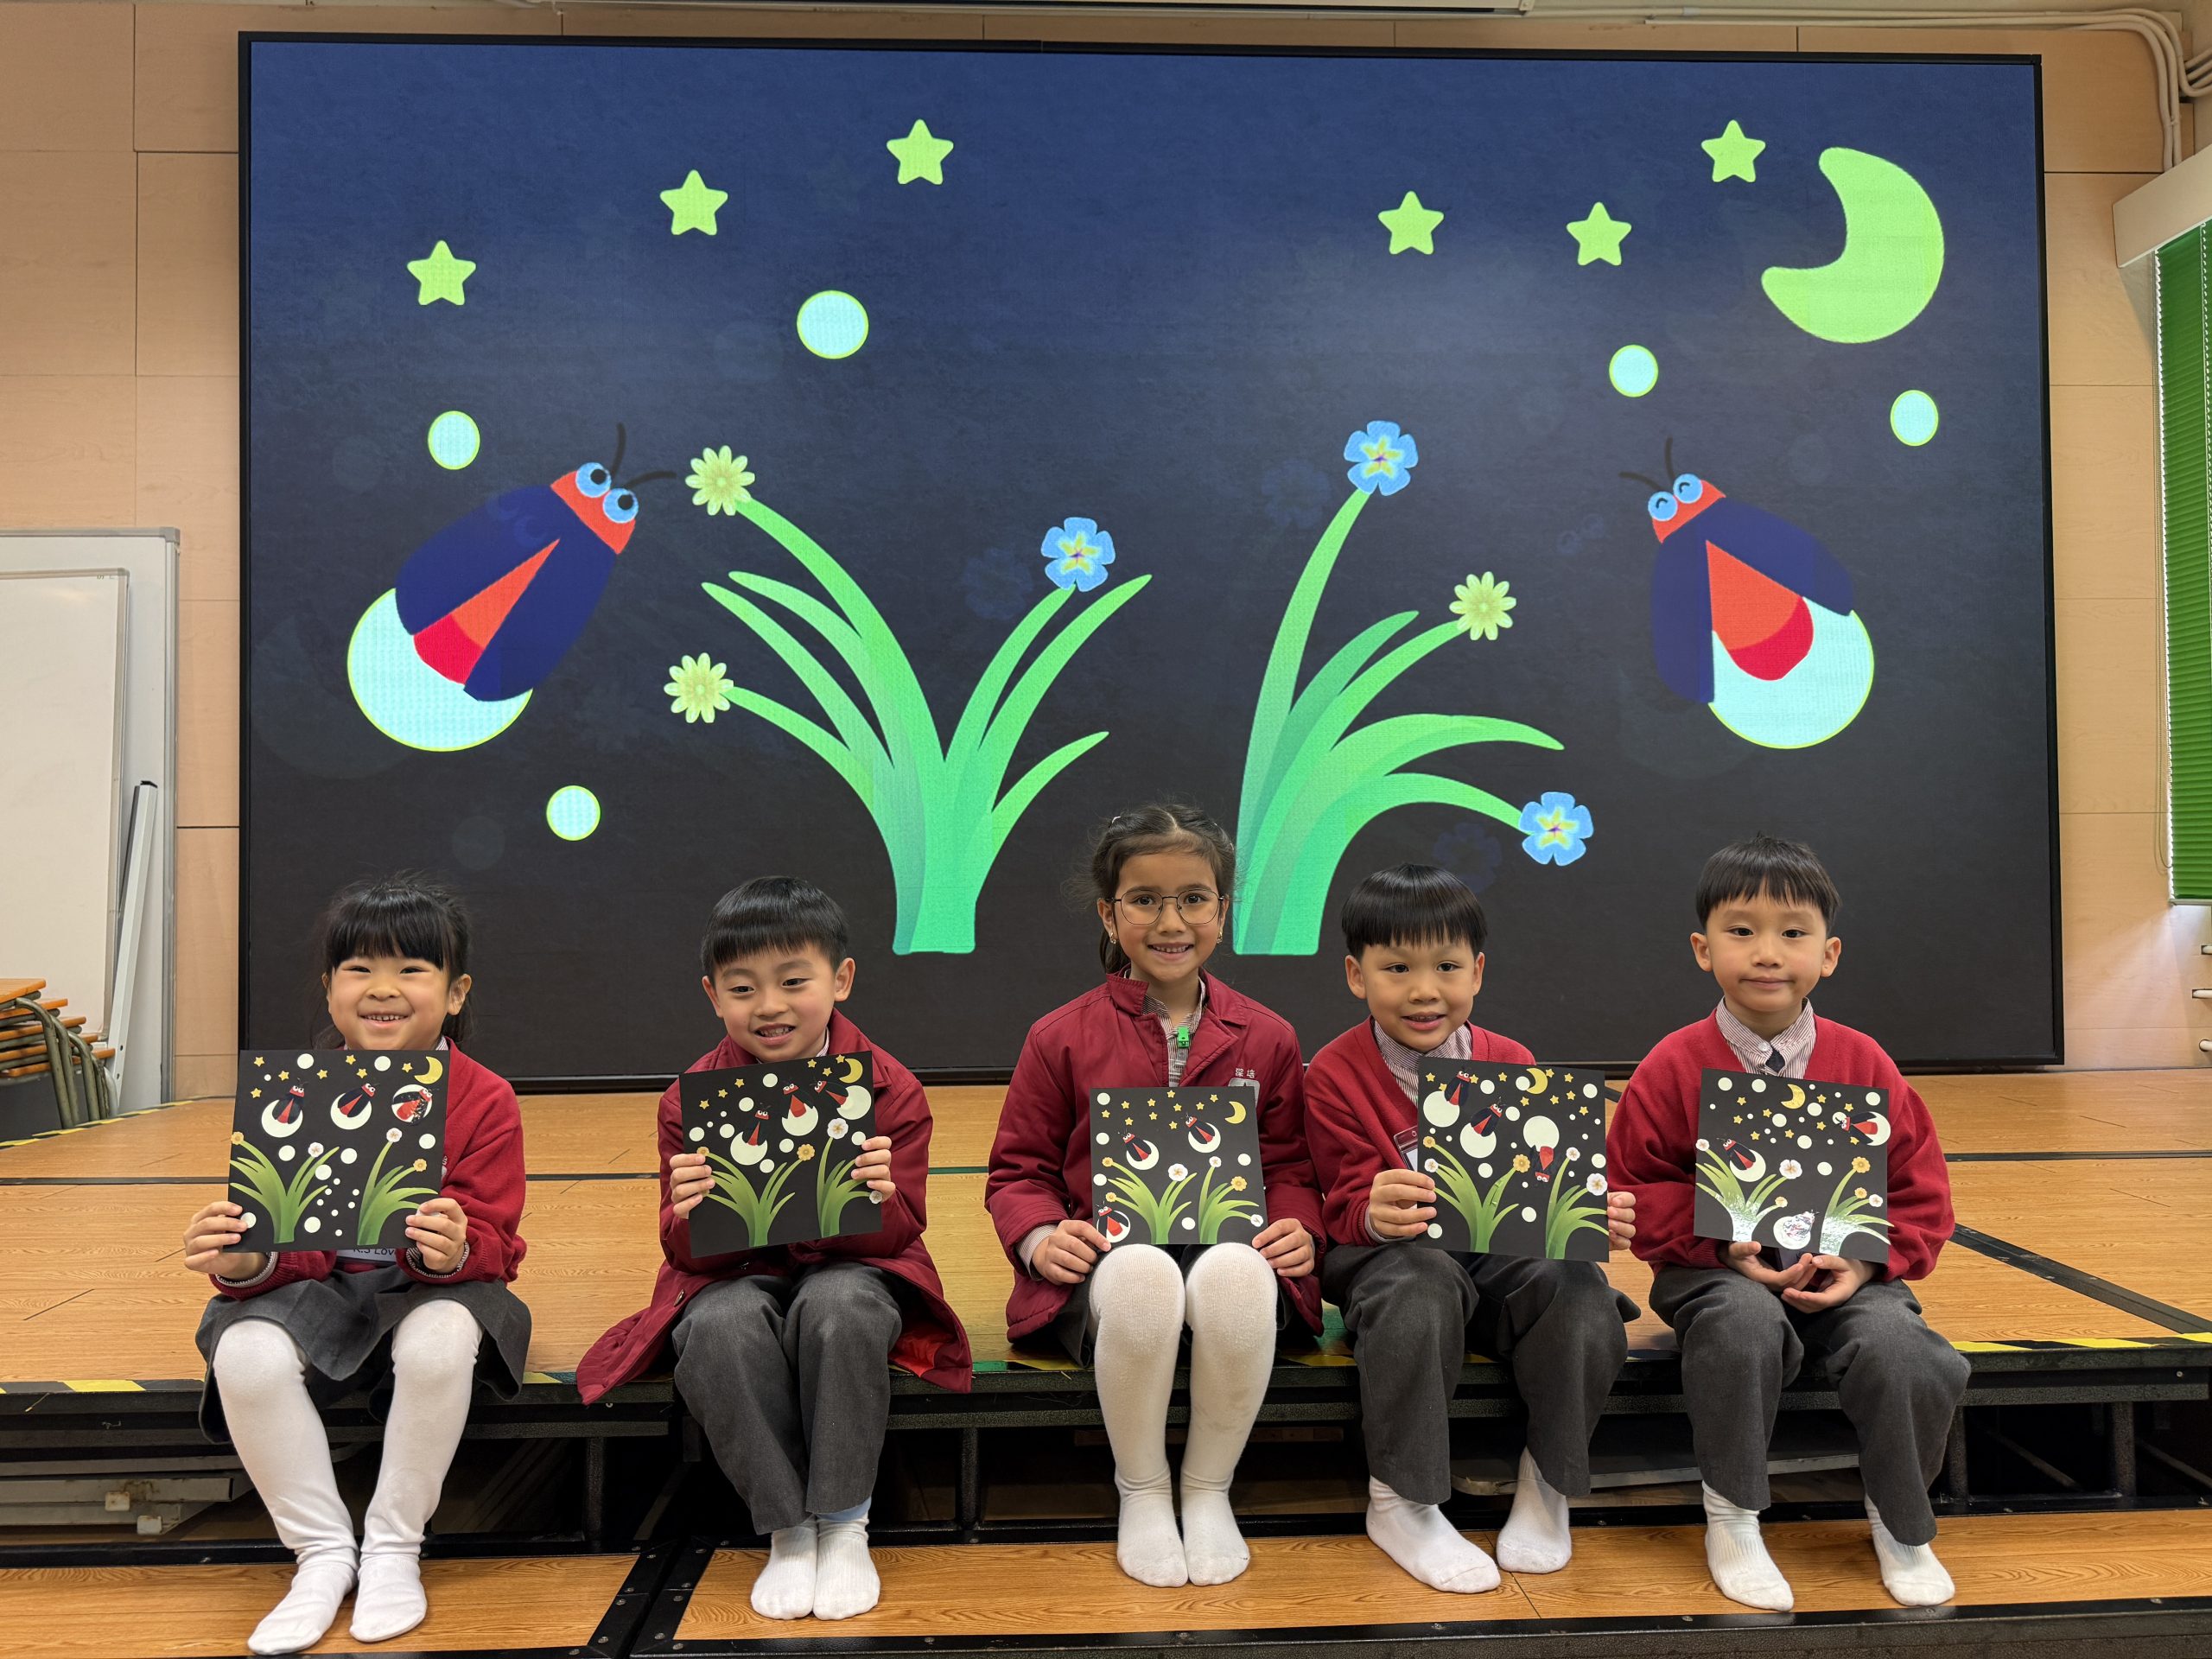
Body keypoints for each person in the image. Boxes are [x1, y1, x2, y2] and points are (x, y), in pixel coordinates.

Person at [577, 876, 969, 1621]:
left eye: (794, 982)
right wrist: (690, 1214)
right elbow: (685, 1254)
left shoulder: (891, 1087)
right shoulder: (688, 1098)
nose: (769, 1006)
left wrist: (877, 1197)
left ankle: (845, 1523)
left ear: (840, 980)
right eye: (742, 988)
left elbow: (902, 1231)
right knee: (719, 1326)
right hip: (733, 1274)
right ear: (712, 996)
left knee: (841, 1305)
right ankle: (787, 1529)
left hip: (856, 1265)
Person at [1611, 833, 1966, 1611]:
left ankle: (1902, 1523)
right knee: (1740, 1326)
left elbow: (1923, 1194)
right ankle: (1733, 1517)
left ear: (1829, 954)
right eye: (1742, 931)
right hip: (1714, 1273)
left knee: (1906, 1350)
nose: (1767, 953)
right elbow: (1635, 1187)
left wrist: (1865, 1265)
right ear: (1703, 949)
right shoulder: (1671, 1064)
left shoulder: (1865, 1062)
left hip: (1849, 1272)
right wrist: (1720, 1245)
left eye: (1793, 933)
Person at [182, 876, 530, 1653]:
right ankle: (320, 1553)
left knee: (442, 1339)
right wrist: (245, 1259)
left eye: (412, 969)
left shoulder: (486, 1098)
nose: (382, 988)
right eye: (359, 969)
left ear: (456, 992)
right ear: (329, 989)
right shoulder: (297, 1091)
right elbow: (283, 1242)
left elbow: (499, 1245)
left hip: (433, 1292)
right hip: (323, 1289)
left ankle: (395, 1547)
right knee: (244, 1350)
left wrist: (458, 1247)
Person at [985, 803, 1323, 1588]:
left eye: (1194, 898)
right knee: (1141, 1275)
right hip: (1107, 1273)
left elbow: (1291, 1166)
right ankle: (1140, 1489)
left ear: (1222, 911)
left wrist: (1298, 1226)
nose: (1171, 922)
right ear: (1110, 914)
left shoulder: (1268, 1036)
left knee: (1237, 1275)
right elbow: (1018, 1171)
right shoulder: (1058, 1036)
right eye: (1144, 900)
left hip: (1229, 1261)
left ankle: (1207, 1489)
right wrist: (1040, 1237)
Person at [1304, 864, 1637, 1592]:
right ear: (1357, 976)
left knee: (1579, 1287)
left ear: (1478, 972)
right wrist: (1370, 1210)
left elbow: (1540, 1193)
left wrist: (1588, 1214)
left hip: (1491, 1259)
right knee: (1422, 1280)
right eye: (1397, 969)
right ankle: (1402, 1500)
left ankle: (1548, 1482)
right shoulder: (1332, 1072)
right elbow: (1337, 1204)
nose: (1425, 990)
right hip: (1388, 1261)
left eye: (1447, 967)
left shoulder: (1511, 1060)